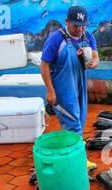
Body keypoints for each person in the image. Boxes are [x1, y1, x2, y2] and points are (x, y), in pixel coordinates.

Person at [40, 6, 100, 171]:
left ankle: (72, 154)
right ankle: (79, 162)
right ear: (67, 22)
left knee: (79, 121)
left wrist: (93, 63)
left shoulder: (87, 37)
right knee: (73, 126)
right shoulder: (56, 39)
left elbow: (96, 58)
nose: (80, 29)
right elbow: (44, 66)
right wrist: (50, 91)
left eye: (82, 25)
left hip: (80, 86)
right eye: (75, 25)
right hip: (63, 90)